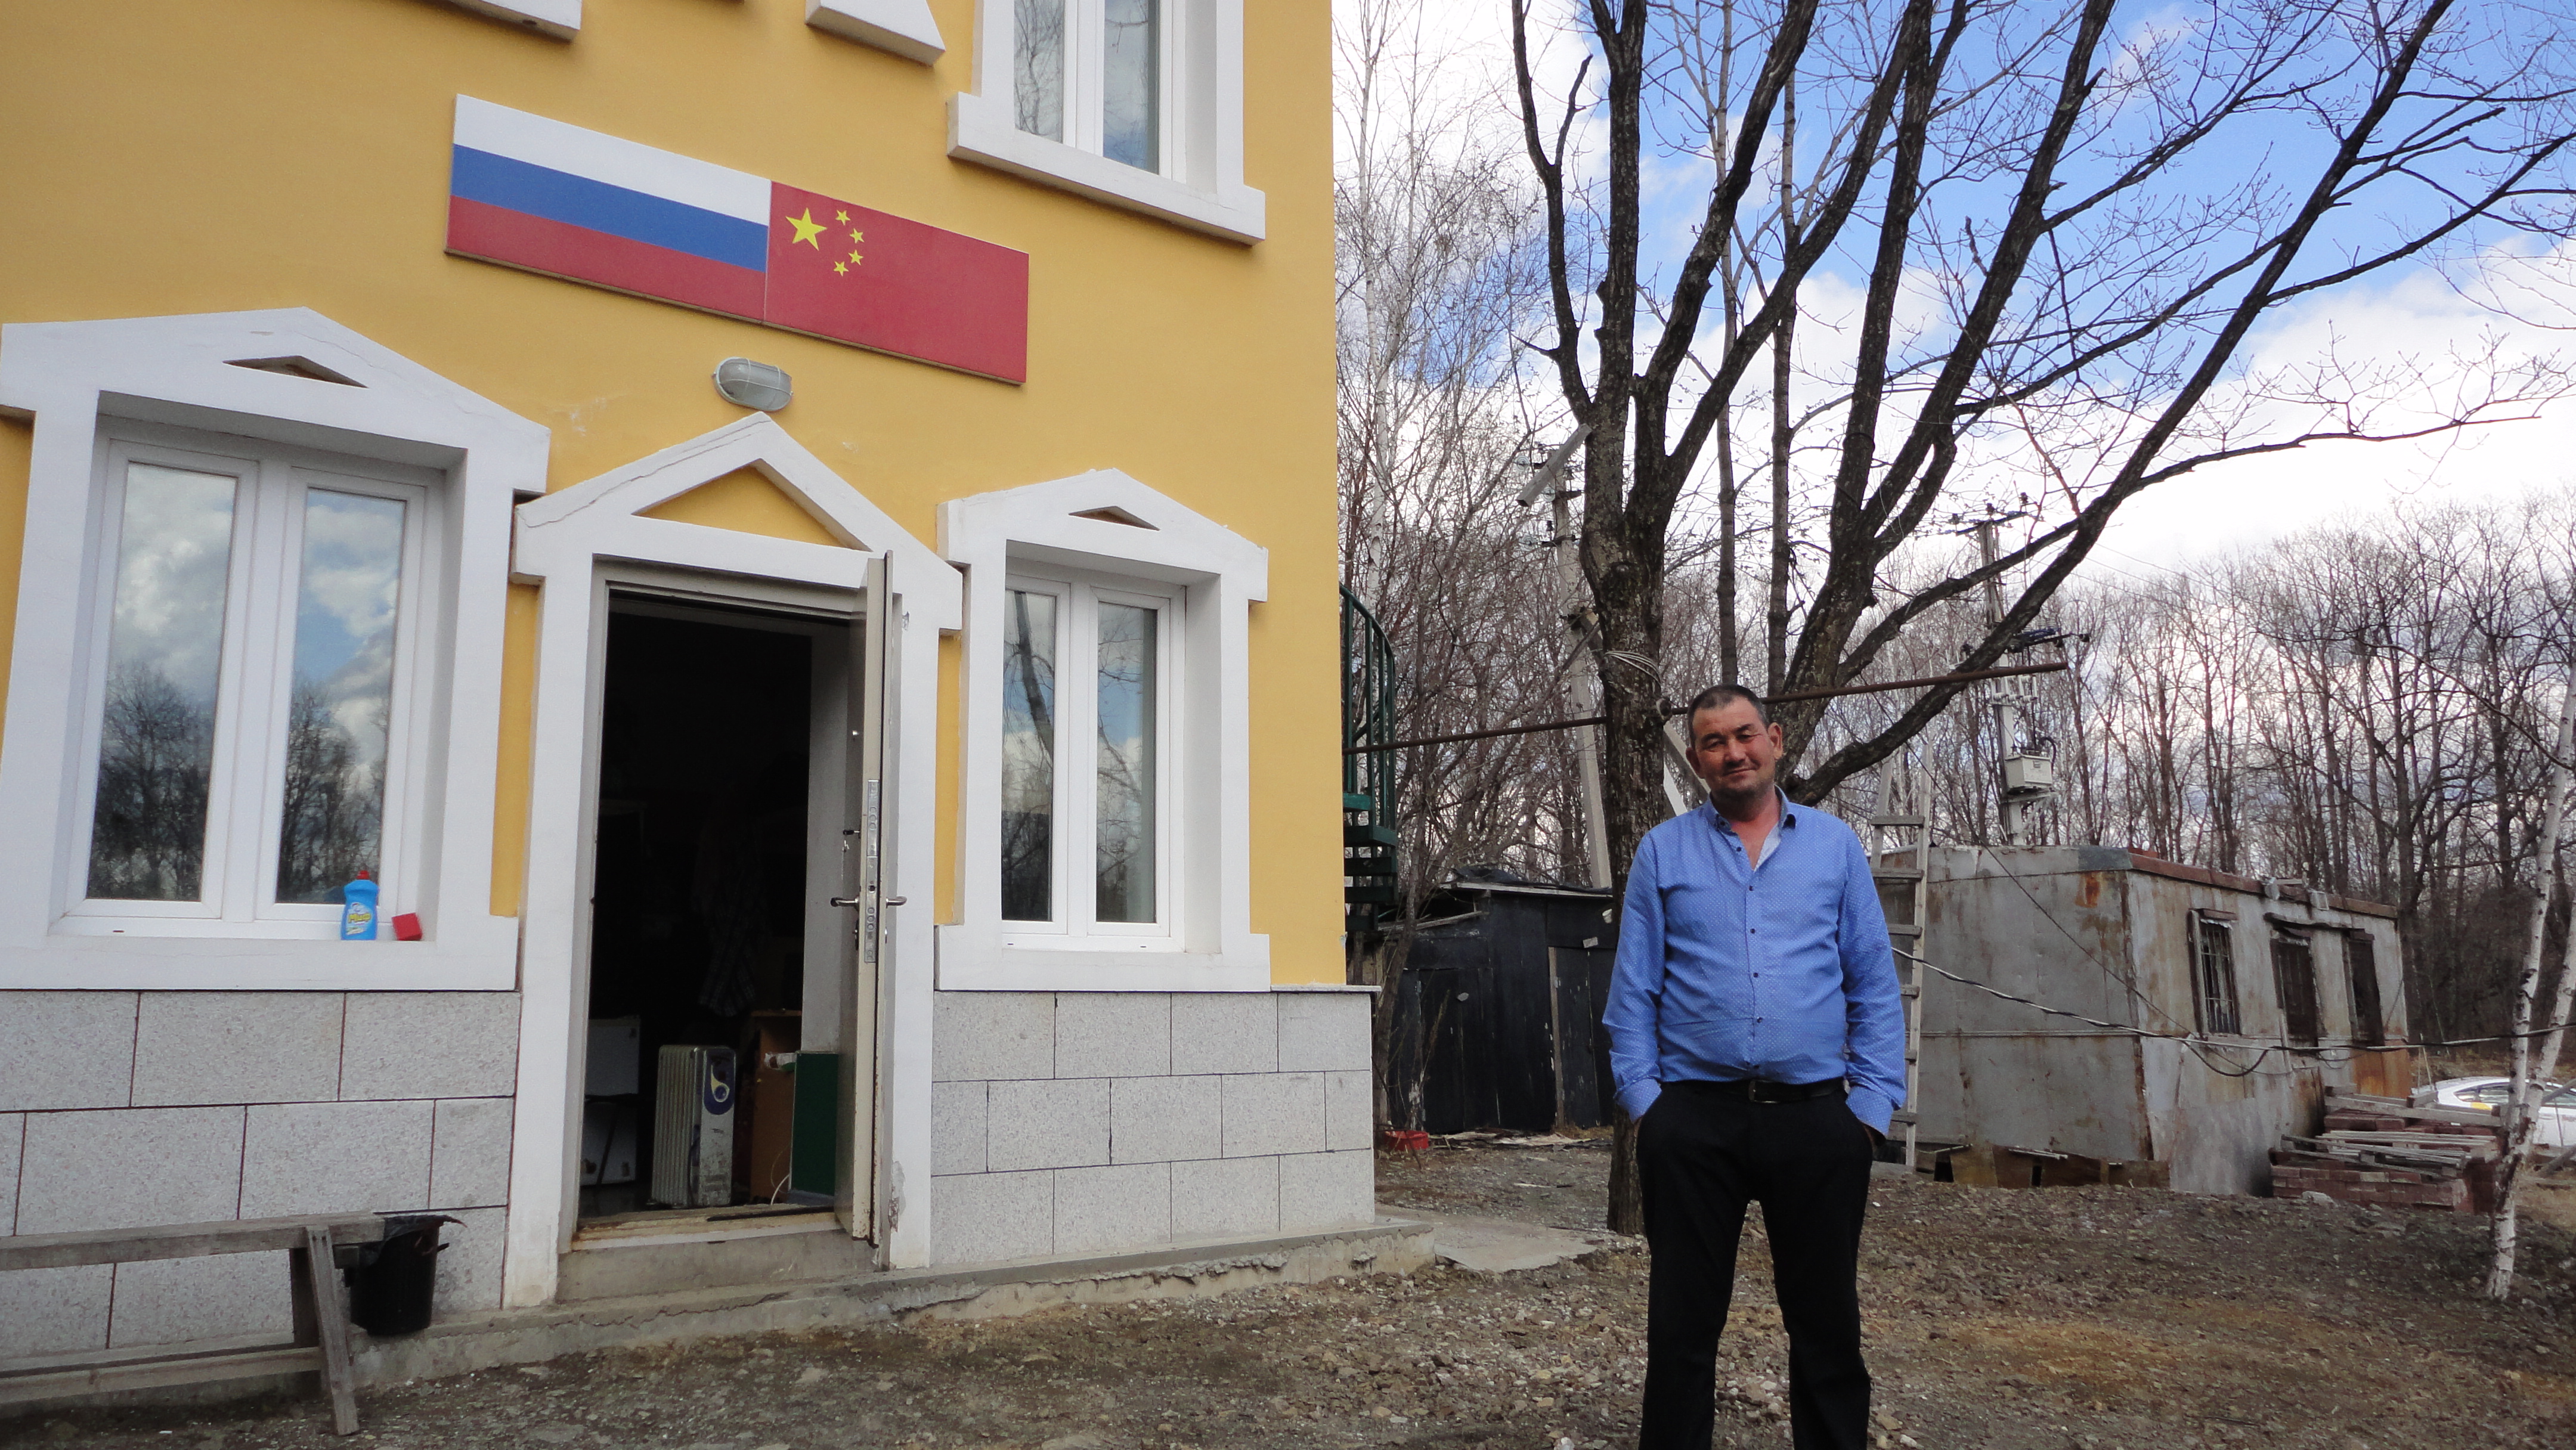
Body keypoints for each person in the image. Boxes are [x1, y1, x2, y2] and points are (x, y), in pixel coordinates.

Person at [1602, 683, 1906, 1450]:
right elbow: (1632, 990)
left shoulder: (1835, 846)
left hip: (1817, 1119)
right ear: (1697, 758)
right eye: (1714, 741)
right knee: (1682, 1324)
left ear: (1774, 739)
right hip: (1693, 1122)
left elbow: (1873, 981)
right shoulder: (1663, 851)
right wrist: (1648, 1105)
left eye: (1744, 734)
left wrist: (1869, 1111)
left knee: (1827, 1324)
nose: (1733, 752)